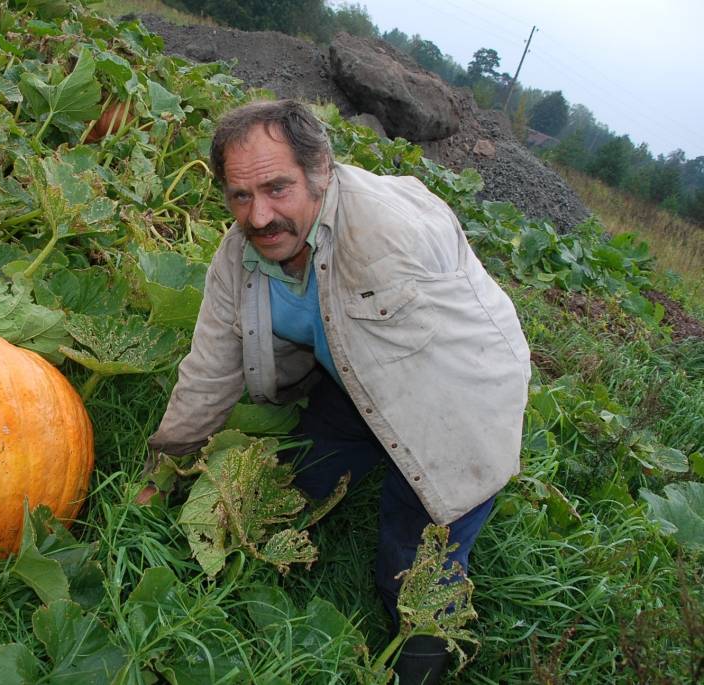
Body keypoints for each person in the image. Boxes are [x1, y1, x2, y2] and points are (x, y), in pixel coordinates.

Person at [144, 99, 530, 683]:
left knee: (414, 564)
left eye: (277, 188)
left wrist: (438, 481)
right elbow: (210, 371)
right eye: (240, 196)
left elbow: (455, 370)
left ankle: (424, 656)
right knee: (286, 490)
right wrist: (164, 469)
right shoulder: (237, 258)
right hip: (354, 385)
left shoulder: (385, 234)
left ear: (319, 170)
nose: (258, 216)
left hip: (455, 395)